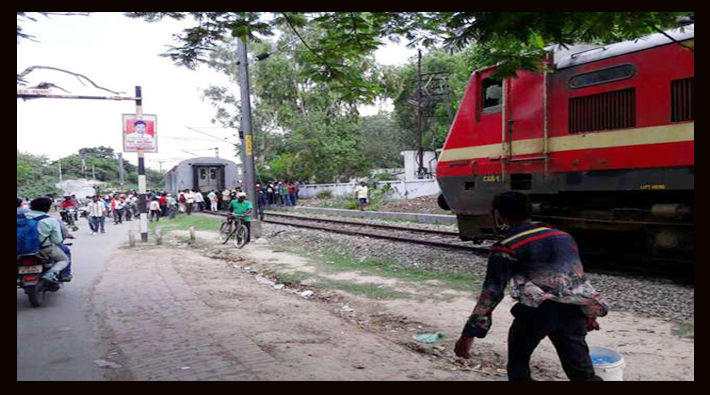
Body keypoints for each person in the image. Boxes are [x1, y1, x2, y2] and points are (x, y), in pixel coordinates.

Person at [454, 191, 608, 381]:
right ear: (529, 211)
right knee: (582, 372)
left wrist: (468, 335)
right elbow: (576, 279)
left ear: (499, 215)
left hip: (538, 312)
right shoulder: (564, 237)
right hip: (574, 310)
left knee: (519, 362)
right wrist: (589, 314)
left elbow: (492, 293)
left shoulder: (506, 247)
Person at [23, 197, 70, 283]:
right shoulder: (51, 220)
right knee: (63, 259)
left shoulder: (21, 218)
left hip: (20, 249)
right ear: (48, 208)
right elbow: (57, 240)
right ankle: (52, 274)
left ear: (31, 207)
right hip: (44, 249)